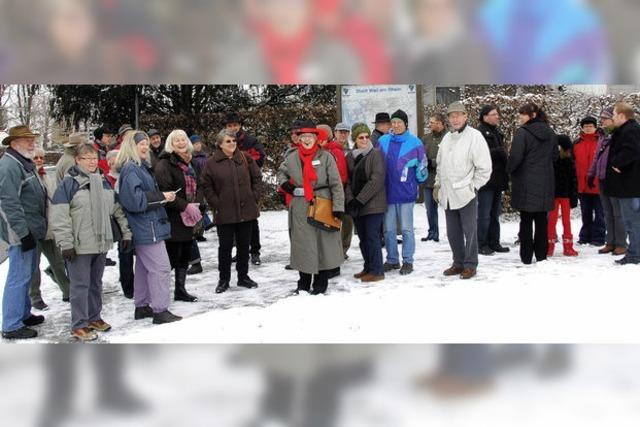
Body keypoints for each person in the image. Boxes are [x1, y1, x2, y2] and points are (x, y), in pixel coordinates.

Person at [51, 143, 132, 341]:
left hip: (101, 242)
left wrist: (126, 233)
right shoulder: (68, 185)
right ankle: (79, 324)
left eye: (94, 157)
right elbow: (59, 216)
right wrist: (66, 243)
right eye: (87, 158)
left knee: (95, 283)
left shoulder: (103, 182)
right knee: (80, 286)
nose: (92, 161)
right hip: (79, 245)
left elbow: (117, 210)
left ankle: (94, 317)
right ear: (77, 160)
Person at [116, 130, 182, 324]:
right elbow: (135, 201)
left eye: (146, 143)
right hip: (146, 226)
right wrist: (162, 197)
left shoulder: (140, 167)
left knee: (145, 268)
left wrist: (162, 196)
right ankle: (160, 310)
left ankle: (142, 306)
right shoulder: (131, 169)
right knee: (161, 268)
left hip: (147, 225)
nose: (145, 147)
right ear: (131, 147)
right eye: (141, 144)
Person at [277, 120, 344, 295]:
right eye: (303, 136)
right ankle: (304, 283)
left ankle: (321, 283)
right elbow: (281, 172)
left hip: (323, 203)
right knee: (303, 244)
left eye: (310, 136)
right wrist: (286, 186)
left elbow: (336, 184)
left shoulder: (326, 157)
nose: (307, 139)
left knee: (323, 243)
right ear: (298, 139)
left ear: (316, 138)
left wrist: (338, 207)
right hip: (300, 206)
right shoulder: (291, 157)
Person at [0, 125, 47, 339]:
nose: (31, 143)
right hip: (20, 233)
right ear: (13, 143)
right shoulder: (9, 166)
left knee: (27, 274)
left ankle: (24, 313)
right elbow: (8, 203)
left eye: (32, 139)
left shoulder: (22, 163)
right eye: (26, 140)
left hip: (31, 229)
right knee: (18, 277)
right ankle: (11, 324)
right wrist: (22, 233)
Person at [200, 130, 262, 294]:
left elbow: (257, 177)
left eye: (233, 140)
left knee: (244, 246)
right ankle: (224, 279)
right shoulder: (212, 162)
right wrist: (216, 202)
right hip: (225, 212)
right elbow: (206, 185)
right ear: (220, 144)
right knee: (225, 247)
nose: (232, 143)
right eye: (228, 141)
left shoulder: (244, 158)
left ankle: (243, 277)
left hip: (246, 210)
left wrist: (253, 196)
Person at [435, 102, 491, 280]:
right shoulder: (446, 138)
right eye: (452, 116)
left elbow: (484, 168)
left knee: (470, 230)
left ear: (466, 116)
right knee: (453, 232)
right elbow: (440, 165)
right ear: (448, 119)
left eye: (459, 115)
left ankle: (470, 264)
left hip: (466, 193)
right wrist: (437, 185)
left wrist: (473, 186)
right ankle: (458, 262)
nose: (455, 119)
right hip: (448, 194)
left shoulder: (475, 136)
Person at [154, 129, 203, 302]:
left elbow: (200, 184)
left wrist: (197, 203)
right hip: (173, 217)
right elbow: (165, 192)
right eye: (177, 140)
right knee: (171, 257)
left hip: (190, 216)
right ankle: (161, 293)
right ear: (170, 144)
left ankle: (180, 290)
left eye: (183, 139)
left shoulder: (192, 162)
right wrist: (185, 206)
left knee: (184, 255)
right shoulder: (165, 164)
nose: (181, 143)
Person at [378, 109, 428, 275]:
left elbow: (422, 166)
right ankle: (392, 259)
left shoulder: (415, 143)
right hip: (387, 193)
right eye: (394, 122)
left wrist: (419, 177)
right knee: (389, 230)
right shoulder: (383, 140)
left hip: (406, 193)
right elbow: (376, 164)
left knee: (406, 229)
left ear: (406, 124)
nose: (396, 125)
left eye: (399, 122)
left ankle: (408, 261)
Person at [507, 103, 557, 265]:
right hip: (545, 181)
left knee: (526, 220)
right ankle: (542, 255)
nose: (520, 117)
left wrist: (510, 171)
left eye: (523, 114)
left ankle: (526, 256)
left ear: (533, 115)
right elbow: (555, 156)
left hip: (525, 182)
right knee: (542, 220)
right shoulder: (550, 132)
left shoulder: (522, 133)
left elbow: (515, 157)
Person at [29, 147, 70, 311]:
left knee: (58, 261)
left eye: (41, 157)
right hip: (33, 229)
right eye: (35, 158)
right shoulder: (27, 177)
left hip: (49, 227)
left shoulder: (49, 177)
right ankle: (35, 297)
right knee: (34, 266)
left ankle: (67, 291)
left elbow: (55, 199)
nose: (39, 160)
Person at [345, 123, 387, 282]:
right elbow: (347, 180)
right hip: (357, 204)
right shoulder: (350, 156)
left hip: (373, 204)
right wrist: (351, 200)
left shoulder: (375, 154)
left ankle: (377, 270)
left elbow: (376, 180)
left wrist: (360, 200)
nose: (364, 139)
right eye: (360, 137)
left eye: (367, 136)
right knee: (363, 238)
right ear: (355, 139)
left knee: (372, 237)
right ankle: (368, 267)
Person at [224, 112, 266, 266]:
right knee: (235, 220)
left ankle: (254, 251)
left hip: (247, 185)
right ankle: (240, 251)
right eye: (230, 125)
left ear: (240, 125)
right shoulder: (223, 141)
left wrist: (243, 164)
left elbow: (260, 157)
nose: (233, 128)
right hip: (230, 188)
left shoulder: (250, 140)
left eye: (235, 125)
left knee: (251, 220)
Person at [588, 108, 627, 255]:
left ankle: (621, 243)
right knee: (607, 213)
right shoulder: (602, 136)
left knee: (618, 214)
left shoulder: (620, 135)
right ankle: (610, 242)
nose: (602, 121)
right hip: (602, 178)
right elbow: (596, 157)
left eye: (605, 118)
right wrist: (591, 174)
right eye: (602, 118)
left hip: (615, 180)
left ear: (614, 119)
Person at [605, 102, 640, 265]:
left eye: (613, 115)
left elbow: (631, 150)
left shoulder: (630, 130)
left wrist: (617, 163)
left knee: (632, 221)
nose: (612, 118)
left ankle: (635, 255)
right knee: (632, 221)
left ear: (621, 116)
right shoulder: (628, 129)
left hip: (629, 185)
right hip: (628, 185)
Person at [476, 105, 509, 255]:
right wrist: (499, 152)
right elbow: (479, 154)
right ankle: (481, 243)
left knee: (495, 213)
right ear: (485, 116)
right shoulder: (480, 132)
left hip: (498, 178)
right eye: (493, 114)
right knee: (484, 214)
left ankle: (494, 242)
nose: (497, 116)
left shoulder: (496, 132)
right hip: (486, 180)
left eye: (497, 114)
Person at [106, 149, 136, 299]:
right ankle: (128, 286)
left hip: (133, 217)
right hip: (119, 219)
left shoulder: (128, 175)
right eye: (113, 160)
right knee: (126, 253)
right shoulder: (107, 180)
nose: (115, 162)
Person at [573, 116, 606, 246]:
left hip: (598, 184)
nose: (588, 128)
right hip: (582, 184)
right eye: (585, 126)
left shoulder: (601, 142)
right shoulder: (577, 143)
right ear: (582, 127)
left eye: (590, 126)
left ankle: (598, 237)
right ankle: (585, 236)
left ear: (595, 127)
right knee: (585, 213)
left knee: (599, 213)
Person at [547, 135, 579, 257]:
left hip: (556, 195)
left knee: (552, 221)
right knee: (565, 221)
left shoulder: (552, 160)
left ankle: (550, 247)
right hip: (564, 195)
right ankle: (567, 247)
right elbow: (574, 180)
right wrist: (574, 197)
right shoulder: (568, 160)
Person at [421, 113, 447, 242]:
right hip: (428, 180)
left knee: (450, 209)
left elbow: (448, 158)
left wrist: (432, 162)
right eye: (429, 122)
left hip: (444, 180)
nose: (430, 124)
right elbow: (420, 156)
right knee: (430, 210)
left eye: (432, 122)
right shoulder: (425, 139)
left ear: (440, 123)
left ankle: (454, 233)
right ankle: (432, 232)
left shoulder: (449, 137)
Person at [334, 122, 353, 260]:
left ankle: (343, 249)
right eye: (340, 131)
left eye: (346, 132)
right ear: (335, 133)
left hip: (348, 189)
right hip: (334, 189)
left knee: (347, 221)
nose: (343, 134)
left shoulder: (351, 150)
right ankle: (332, 249)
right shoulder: (328, 149)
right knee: (333, 220)